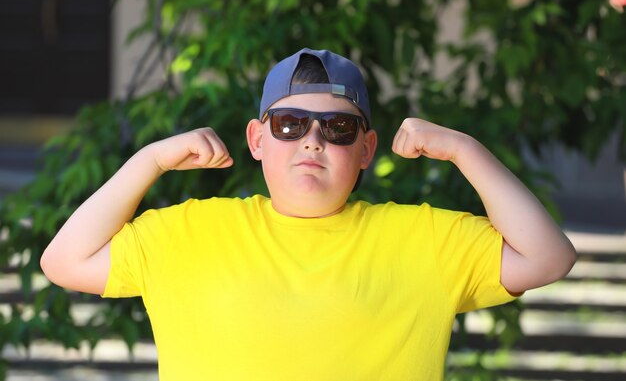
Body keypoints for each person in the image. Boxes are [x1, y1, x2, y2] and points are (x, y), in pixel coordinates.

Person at [40, 48, 577, 381]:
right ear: (257, 139)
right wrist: (149, 160)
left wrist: (463, 149)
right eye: (290, 125)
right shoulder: (188, 229)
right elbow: (64, 261)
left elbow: (549, 257)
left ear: (366, 150)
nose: (312, 141)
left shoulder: (424, 237)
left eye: (337, 129)